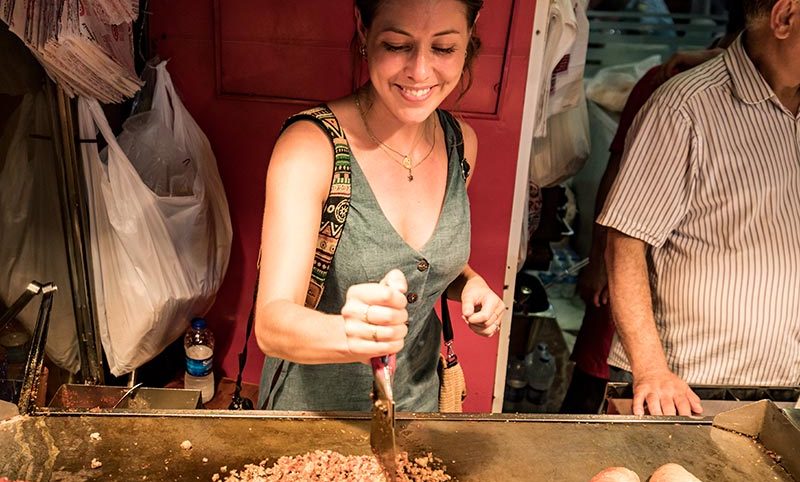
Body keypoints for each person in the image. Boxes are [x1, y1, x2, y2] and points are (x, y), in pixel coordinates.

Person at [254, 0, 505, 412]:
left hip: (419, 408)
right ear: (363, 29)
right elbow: (272, 322)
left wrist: (469, 283)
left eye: (443, 49)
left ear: (471, 35)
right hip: (313, 418)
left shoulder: (461, 144)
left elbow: (421, 263)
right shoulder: (311, 147)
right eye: (396, 45)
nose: (420, 72)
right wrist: (350, 336)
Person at [597, 0, 800, 416]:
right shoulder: (686, 107)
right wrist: (652, 369)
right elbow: (625, 241)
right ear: (785, 17)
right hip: (684, 390)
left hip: (786, 390)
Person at [561, 4, 745, 414]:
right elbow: (616, 170)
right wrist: (596, 259)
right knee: (600, 371)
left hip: (708, 337)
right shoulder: (673, 86)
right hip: (637, 272)